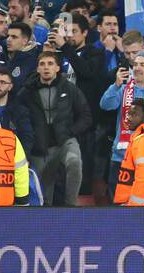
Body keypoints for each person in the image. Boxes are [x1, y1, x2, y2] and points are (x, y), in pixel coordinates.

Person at [18, 52, 91, 206]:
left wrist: (71, 131)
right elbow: (18, 117)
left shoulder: (69, 88)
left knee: (74, 162)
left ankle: (71, 206)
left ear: (58, 68)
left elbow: (86, 116)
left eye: (50, 64)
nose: (46, 68)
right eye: (42, 64)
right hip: (40, 147)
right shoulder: (27, 92)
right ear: (37, 68)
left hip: (65, 141)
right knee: (45, 197)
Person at [98, 51, 144, 201]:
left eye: (143, 64)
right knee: (118, 203)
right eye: (135, 64)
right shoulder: (123, 89)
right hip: (121, 156)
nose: (137, 68)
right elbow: (105, 105)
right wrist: (116, 84)